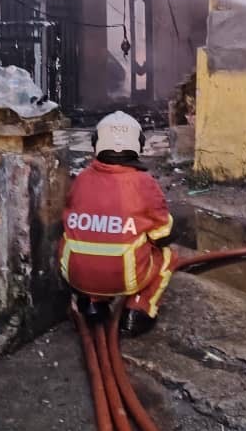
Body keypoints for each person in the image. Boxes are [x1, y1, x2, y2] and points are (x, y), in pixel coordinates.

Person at [59, 111, 174, 338]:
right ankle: (138, 311)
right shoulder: (144, 183)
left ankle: (91, 303)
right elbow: (162, 234)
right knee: (168, 256)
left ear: (96, 144)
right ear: (138, 144)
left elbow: (70, 217)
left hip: (75, 276)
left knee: (76, 239)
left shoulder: (81, 178)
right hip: (125, 277)